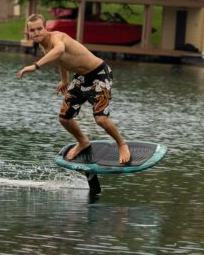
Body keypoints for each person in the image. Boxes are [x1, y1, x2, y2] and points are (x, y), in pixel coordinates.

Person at [17, 14, 130, 164]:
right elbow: (60, 60)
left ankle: (122, 144)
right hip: (81, 78)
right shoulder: (42, 45)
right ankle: (83, 141)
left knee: (101, 120)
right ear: (28, 32)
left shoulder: (57, 37)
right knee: (64, 118)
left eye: (39, 29)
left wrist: (35, 66)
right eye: (32, 30)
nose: (36, 33)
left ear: (46, 28)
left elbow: (59, 50)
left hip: (99, 74)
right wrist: (64, 80)